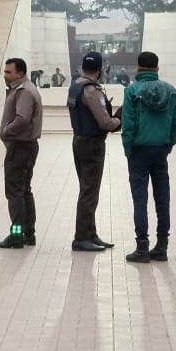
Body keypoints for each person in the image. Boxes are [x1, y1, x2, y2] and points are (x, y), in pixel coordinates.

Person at [121, 51, 176, 263]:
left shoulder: (132, 91)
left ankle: (142, 246)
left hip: (139, 150)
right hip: (160, 150)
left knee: (140, 198)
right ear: (157, 68)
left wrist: (128, 148)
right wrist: (169, 144)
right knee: (162, 197)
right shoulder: (171, 91)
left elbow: (128, 124)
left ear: (138, 68)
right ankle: (162, 245)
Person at [66, 52, 121, 252]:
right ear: (100, 70)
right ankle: (82, 237)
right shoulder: (92, 90)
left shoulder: (75, 86)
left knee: (86, 189)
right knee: (89, 192)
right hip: (92, 144)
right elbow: (105, 123)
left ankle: (91, 233)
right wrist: (119, 120)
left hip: (79, 140)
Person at [0, 57, 43, 248]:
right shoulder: (26, 88)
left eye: (9, 72)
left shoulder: (23, 91)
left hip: (20, 147)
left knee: (15, 193)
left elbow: (22, 119)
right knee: (24, 191)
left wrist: (6, 132)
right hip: (26, 146)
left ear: (20, 73)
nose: (5, 75)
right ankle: (28, 233)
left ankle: (17, 234)